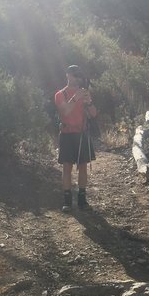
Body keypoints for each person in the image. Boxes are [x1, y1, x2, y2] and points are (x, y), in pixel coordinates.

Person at [54, 64, 97, 212]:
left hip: (82, 134)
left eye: (79, 75)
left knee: (83, 167)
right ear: (67, 75)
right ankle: (67, 201)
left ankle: (82, 199)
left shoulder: (84, 93)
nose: (77, 78)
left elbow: (93, 114)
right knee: (67, 168)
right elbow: (65, 112)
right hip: (67, 135)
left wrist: (89, 102)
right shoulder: (60, 94)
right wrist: (75, 97)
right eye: (74, 75)